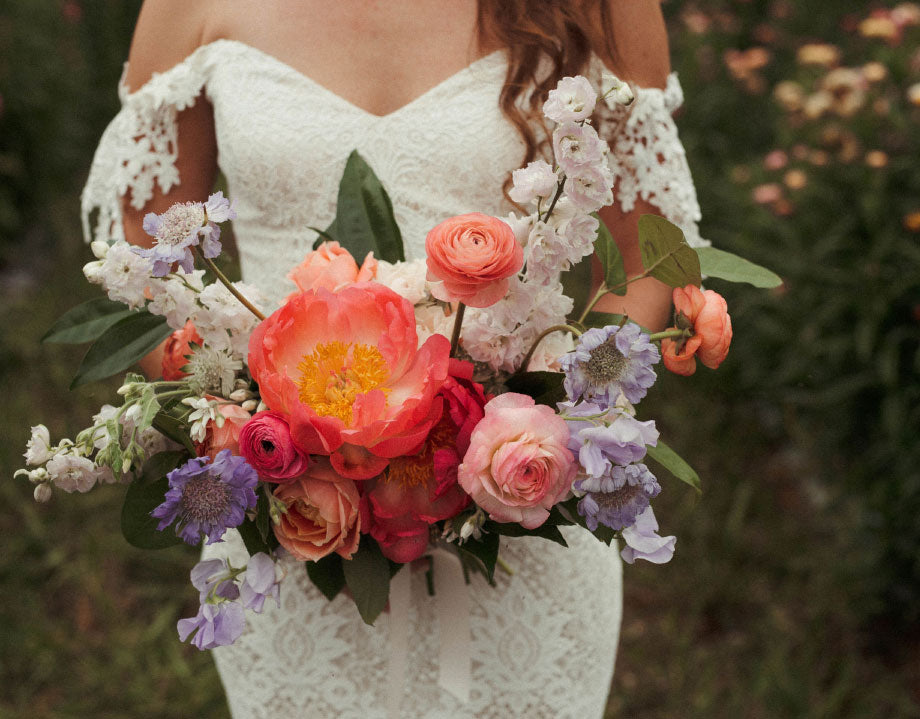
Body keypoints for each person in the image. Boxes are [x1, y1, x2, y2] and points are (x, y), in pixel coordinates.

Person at [81, 1, 708, 716]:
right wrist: (266, 432)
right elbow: (153, 272)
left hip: (523, 513)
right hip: (295, 522)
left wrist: (535, 432)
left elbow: (643, 261)